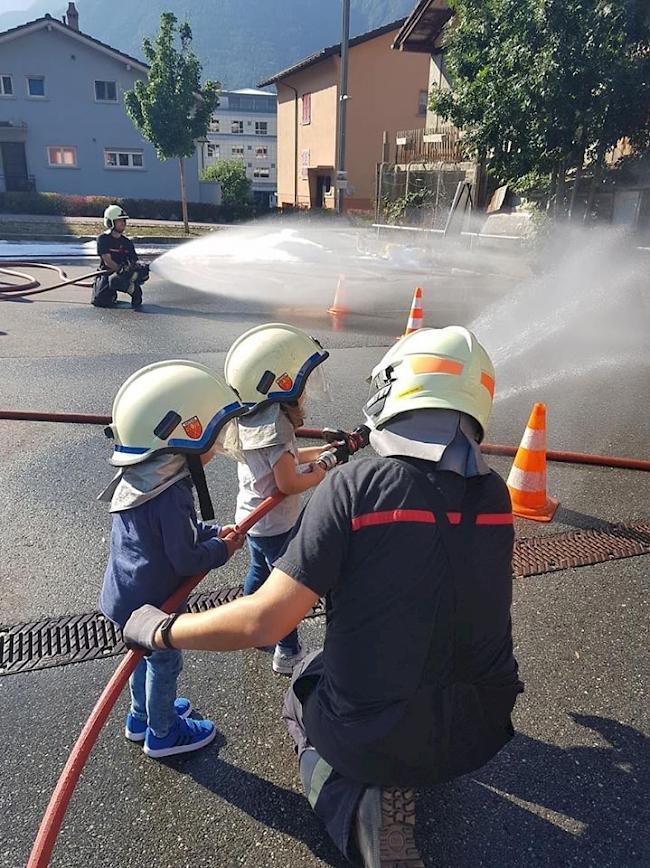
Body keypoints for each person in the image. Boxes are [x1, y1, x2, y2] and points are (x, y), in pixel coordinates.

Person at [124, 326, 524, 865]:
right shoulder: (497, 495)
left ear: (394, 392)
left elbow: (263, 623)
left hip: (376, 732)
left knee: (304, 679)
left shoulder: (355, 489)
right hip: (481, 729)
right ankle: (417, 763)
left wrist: (162, 627)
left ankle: (353, 803)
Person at [99, 359, 246, 758]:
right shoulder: (172, 493)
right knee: (164, 664)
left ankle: (140, 716)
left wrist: (214, 532)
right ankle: (163, 733)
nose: (217, 443)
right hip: (155, 604)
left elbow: (165, 538)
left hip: (124, 596)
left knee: (141, 659)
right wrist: (223, 548)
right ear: (184, 438)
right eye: (212, 435)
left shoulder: (142, 477)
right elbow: (184, 559)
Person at [224, 323, 332, 674]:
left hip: (255, 520)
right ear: (280, 386)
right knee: (285, 587)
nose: (305, 394)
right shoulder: (276, 429)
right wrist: (322, 471)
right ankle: (288, 652)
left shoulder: (256, 419)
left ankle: (254, 629)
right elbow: (286, 482)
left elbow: (288, 458)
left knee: (259, 572)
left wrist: (322, 450)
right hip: (275, 525)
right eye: (302, 385)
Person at [91, 204, 150, 309]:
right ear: (110, 222)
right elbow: (107, 261)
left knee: (138, 273)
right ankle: (111, 294)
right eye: (120, 220)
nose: (123, 223)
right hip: (106, 273)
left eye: (124, 220)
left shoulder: (127, 242)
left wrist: (140, 268)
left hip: (124, 274)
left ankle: (135, 292)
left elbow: (134, 261)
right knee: (100, 301)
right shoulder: (103, 239)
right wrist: (120, 269)